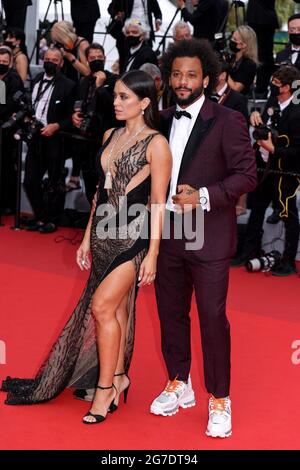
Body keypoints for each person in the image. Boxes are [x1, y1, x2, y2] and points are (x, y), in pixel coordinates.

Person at [2, 70, 172, 427]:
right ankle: (121, 375)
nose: (117, 102)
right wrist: (85, 237)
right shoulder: (111, 135)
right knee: (120, 310)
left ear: (144, 103)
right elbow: (101, 193)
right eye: (116, 96)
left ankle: (105, 388)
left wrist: (153, 253)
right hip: (103, 234)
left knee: (101, 307)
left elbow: (158, 203)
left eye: (125, 97)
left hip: (134, 237)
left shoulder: (157, 144)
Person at [150, 38, 257, 438]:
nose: (182, 81)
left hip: (208, 233)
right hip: (168, 233)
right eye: (176, 74)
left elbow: (248, 174)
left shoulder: (228, 120)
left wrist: (206, 196)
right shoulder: (159, 119)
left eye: (190, 74)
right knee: (169, 312)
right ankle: (180, 382)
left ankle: (220, 399)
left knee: (212, 317)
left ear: (206, 78)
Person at [231, 65, 300, 277]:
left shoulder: (297, 112)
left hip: (286, 173)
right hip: (264, 167)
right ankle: (248, 250)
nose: (272, 86)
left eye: (276, 84)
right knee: (257, 209)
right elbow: (265, 126)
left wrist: (273, 149)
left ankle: (288, 260)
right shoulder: (272, 100)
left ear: (288, 88)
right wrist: (255, 116)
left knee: (288, 214)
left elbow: (298, 151)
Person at [22, 47, 76, 234]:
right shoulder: (37, 80)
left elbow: (73, 117)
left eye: (54, 59)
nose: (49, 62)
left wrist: (57, 126)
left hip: (55, 139)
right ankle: (40, 216)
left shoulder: (68, 85)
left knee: (54, 182)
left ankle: (51, 220)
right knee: (30, 180)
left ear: (61, 63)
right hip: (35, 138)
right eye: (47, 59)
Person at [70, 43, 118, 201]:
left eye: (99, 57)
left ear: (104, 58)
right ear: (87, 60)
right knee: (89, 181)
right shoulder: (84, 82)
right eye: (92, 58)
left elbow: (113, 108)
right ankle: (92, 218)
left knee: (104, 183)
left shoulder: (114, 80)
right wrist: (75, 115)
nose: (96, 60)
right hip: (85, 140)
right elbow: (78, 104)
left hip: (105, 139)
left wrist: (100, 87)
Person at [0, 47, 24, 215]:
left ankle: (7, 204)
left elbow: (9, 105)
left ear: (10, 64)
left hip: (8, 131)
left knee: (7, 167)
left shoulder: (14, 79)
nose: (1, 64)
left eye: (4, 62)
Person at [108, 0, 162, 72]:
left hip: (145, 31)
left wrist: (158, 21)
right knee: (125, 59)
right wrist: (117, 15)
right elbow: (111, 8)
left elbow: (157, 11)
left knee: (147, 57)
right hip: (128, 30)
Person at [246, 0, 278, 96]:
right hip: (259, 17)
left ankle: (261, 87)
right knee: (260, 54)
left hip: (262, 18)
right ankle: (260, 86)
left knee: (263, 54)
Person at [228, 25, 258, 96]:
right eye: (232, 37)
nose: (231, 41)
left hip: (237, 104)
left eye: (235, 39)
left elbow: (236, 89)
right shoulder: (231, 58)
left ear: (243, 45)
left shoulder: (249, 64)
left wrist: (224, 71)